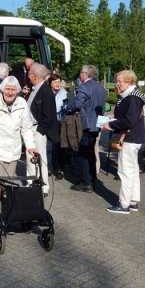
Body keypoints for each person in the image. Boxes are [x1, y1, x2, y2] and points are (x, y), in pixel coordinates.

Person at [0, 76, 36, 222]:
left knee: (8, 187)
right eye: (8, 90)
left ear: (17, 91)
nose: (10, 93)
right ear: (2, 90)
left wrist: (31, 146)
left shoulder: (22, 103)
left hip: (13, 151)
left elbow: (26, 127)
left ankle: (6, 215)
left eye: (13, 90)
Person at [101, 70, 145, 214]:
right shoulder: (133, 95)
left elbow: (129, 121)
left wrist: (110, 125)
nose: (117, 84)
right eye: (117, 81)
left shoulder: (132, 97)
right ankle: (133, 201)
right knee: (132, 170)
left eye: (120, 81)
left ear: (129, 82)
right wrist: (115, 115)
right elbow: (129, 115)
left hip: (129, 138)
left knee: (125, 171)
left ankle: (123, 204)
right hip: (134, 137)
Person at [63, 65, 106, 193]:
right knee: (91, 154)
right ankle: (93, 180)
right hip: (97, 124)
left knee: (83, 154)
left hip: (87, 125)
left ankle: (86, 183)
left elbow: (77, 104)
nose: (79, 75)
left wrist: (66, 107)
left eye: (80, 73)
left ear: (85, 74)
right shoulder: (100, 88)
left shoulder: (84, 86)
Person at [26, 63, 59, 195]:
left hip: (37, 130)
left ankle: (43, 186)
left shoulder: (45, 91)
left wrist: (40, 130)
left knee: (41, 157)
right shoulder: (34, 88)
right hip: (30, 129)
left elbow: (49, 114)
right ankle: (30, 182)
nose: (28, 76)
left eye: (29, 73)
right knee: (30, 157)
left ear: (34, 76)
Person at [48, 73, 68, 179]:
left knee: (60, 148)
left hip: (60, 123)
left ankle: (60, 169)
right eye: (55, 82)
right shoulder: (47, 93)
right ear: (50, 83)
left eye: (59, 81)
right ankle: (49, 168)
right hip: (50, 124)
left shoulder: (64, 94)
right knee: (49, 147)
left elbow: (66, 108)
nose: (57, 84)